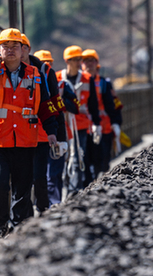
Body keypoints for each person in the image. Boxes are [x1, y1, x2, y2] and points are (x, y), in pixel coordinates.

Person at [0, 28, 58, 239]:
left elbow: (46, 105)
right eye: (5, 46)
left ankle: (19, 228)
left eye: (15, 46)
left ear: (23, 50)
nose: (10, 51)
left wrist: (53, 133)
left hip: (25, 141)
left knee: (22, 187)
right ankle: (0, 226)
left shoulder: (35, 75)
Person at [33, 50, 79, 205]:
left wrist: (60, 101)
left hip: (55, 133)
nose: (47, 65)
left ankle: (53, 204)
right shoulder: (28, 82)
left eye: (50, 63)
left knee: (54, 173)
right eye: (44, 62)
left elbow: (73, 107)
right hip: (33, 136)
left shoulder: (60, 85)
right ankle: (42, 204)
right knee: (39, 175)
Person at [56, 45, 101, 196]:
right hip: (61, 124)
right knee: (62, 158)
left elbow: (93, 104)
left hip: (80, 125)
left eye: (79, 59)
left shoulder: (87, 79)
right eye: (74, 59)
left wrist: (96, 123)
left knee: (77, 157)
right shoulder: (56, 78)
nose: (78, 62)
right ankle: (63, 188)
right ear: (67, 61)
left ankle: (73, 192)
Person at [82, 49, 123, 177]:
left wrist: (116, 123)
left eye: (92, 61)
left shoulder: (105, 84)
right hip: (83, 127)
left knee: (103, 160)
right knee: (86, 162)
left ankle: (101, 186)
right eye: (86, 61)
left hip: (104, 128)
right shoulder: (77, 82)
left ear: (96, 63)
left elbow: (113, 105)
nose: (89, 64)